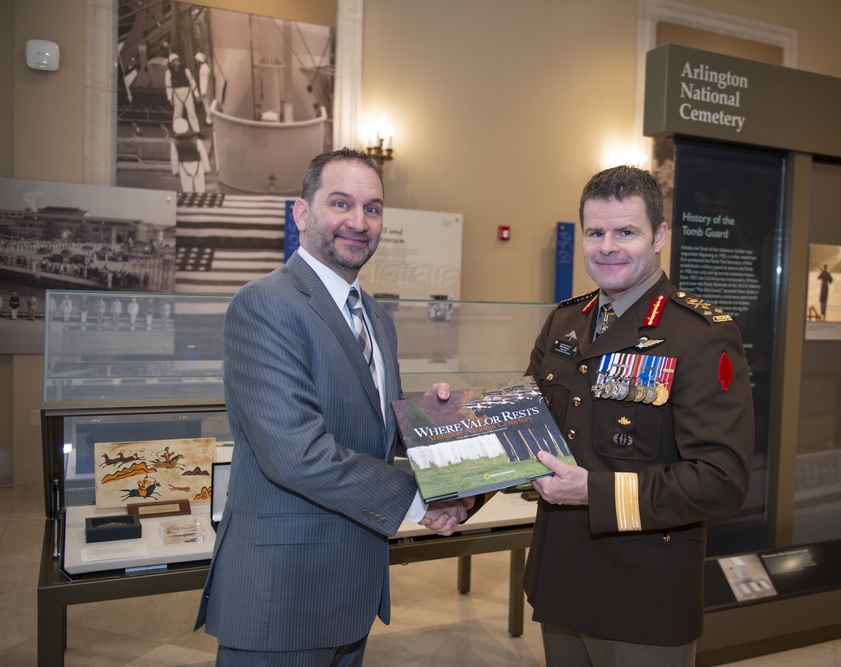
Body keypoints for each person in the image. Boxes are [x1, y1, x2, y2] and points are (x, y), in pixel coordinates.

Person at [195, 149, 471, 666]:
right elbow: (296, 453)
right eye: (340, 203)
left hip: (352, 587)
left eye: (372, 208)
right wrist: (423, 499)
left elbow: (375, 430)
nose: (358, 222)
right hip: (284, 596)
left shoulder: (374, 316)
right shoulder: (266, 305)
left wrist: (439, 427)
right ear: (302, 214)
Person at [524, 165, 754, 666]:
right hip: (560, 581)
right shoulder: (564, 321)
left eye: (626, 231)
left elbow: (722, 480)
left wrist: (593, 491)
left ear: (659, 237)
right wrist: (454, 449)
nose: (607, 246)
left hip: (643, 599)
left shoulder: (700, 334)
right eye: (595, 232)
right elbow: (524, 431)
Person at [170, 117, 211, 193]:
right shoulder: (196, 140)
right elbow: (203, 155)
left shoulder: (174, 143)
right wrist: (206, 168)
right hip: (198, 166)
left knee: (187, 191)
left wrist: (175, 170)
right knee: (201, 190)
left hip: (184, 167)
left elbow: (174, 158)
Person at [165, 53, 200, 133]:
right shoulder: (168, 72)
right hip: (177, 94)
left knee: (192, 113)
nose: (177, 61)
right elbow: (168, 86)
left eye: (178, 59)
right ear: (172, 63)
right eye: (175, 60)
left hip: (187, 93)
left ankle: (197, 131)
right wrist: (170, 98)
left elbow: (192, 82)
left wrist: (197, 95)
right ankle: (177, 132)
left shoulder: (186, 70)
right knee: (178, 114)